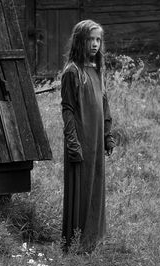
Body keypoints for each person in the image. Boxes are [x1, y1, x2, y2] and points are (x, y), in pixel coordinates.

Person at [60, 19, 115, 253]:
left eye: (98, 39)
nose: (95, 44)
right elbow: (68, 109)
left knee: (95, 188)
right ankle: (76, 243)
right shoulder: (72, 72)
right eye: (90, 39)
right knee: (80, 190)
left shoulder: (97, 69)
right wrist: (73, 143)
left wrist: (107, 135)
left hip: (96, 139)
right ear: (80, 41)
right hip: (80, 140)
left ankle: (91, 239)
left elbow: (104, 104)